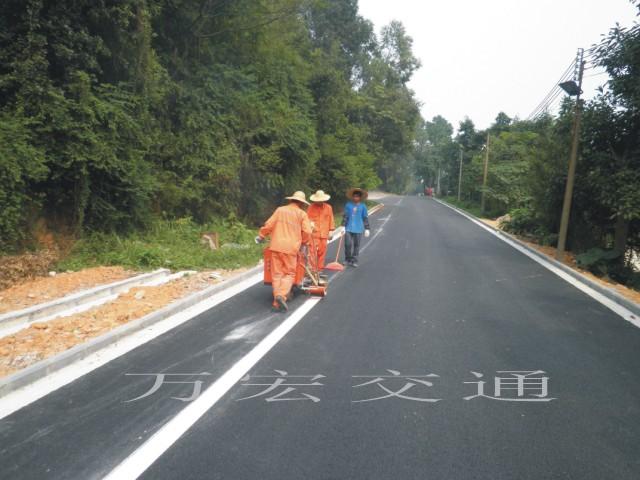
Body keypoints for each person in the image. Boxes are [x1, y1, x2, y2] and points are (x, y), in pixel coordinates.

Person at [256, 191, 312, 312]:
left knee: (277, 274)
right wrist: (304, 243)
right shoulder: (302, 214)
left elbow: (269, 224)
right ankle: (281, 295)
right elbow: (307, 232)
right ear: (302, 203)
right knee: (289, 273)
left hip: (276, 246)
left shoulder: (280, 210)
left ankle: (277, 302)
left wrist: (261, 235)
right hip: (291, 248)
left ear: (291, 200)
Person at [307, 190, 335, 271]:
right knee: (312, 252)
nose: (319, 202)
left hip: (324, 233)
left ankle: (319, 268)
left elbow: (331, 219)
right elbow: (307, 219)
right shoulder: (310, 207)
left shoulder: (328, 207)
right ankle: (312, 269)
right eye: (318, 200)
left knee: (322, 251)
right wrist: (310, 224)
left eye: (321, 200)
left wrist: (331, 231)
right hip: (314, 234)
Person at [342, 187, 370, 268]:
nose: (355, 198)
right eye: (354, 196)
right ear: (352, 197)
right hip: (348, 228)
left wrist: (367, 228)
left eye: (357, 196)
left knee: (356, 245)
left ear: (360, 197)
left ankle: (354, 260)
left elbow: (365, 217)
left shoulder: (363, 206)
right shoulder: (348, 205)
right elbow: (345, 216)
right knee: (347, 244)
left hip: (358, 228)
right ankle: (347, 259)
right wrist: (343, 226)